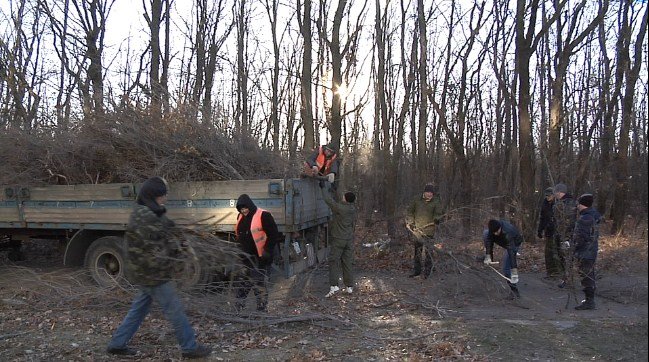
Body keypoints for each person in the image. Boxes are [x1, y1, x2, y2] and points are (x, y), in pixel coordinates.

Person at [106, 176, 211, 358]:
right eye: (162, 195)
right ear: (153, 196)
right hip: (153, 273)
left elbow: (160, 232)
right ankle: (189, 347)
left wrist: (168, 226)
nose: (165, 198)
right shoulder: (147, 216)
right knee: (175, 309)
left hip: (144, 272)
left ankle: (117, 343)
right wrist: (179, 250)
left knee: (138, 309)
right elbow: (164, 244)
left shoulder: (143, 211)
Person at [234, 194, 283, 312]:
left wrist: (267, 250)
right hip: (246, 257)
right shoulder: (240, 217)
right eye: (241, 209)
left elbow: (273, 235)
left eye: (245, 208)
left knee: (258, 283)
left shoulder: (264, 215)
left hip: (261, 257)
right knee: (244, 282)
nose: (244, 211)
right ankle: (239, 307)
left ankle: (261, 309)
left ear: (250, 205)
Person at [319, 182, 357, 298]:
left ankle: (334, 286)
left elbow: (328, 201)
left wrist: (323, 188)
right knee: (347, 262)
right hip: (348, 239)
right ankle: (349, 286)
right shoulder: (352, 209)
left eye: (343, 196)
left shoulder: (341, 208)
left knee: (334, 262)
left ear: (346, 199)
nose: (342, 197)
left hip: (338, 239)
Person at [567, 194, 602, 310]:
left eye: (579, 203)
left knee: (586, 276)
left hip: (585, 252)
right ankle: (589, 299)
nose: (577, 206)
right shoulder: (593, 215)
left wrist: (574, 248)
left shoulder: (585, 219)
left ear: (582, 204)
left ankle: (589, 301)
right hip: (591, 250)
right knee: (589, 275)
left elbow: (581, 237)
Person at [405, 183, 444, 279]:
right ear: (424, 192)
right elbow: (410, 212)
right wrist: (411, 223)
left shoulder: (436, 201)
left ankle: (427, 272)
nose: (429, 195)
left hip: (429, 231)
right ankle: (417, 272)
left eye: (431, 193)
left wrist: (437, 219)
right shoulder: (416, 199)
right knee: (417, 252)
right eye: (428, 192)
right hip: (417, 230)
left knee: (428, 252)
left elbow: (438, 213)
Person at [483, 219, 524, 298]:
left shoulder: (508, 232)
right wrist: (488, 256)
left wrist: (514, 271)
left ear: (500, 228)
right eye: (494, 232)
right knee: (485, 233)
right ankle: (489, 259)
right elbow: (489, 241)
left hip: (514, 244)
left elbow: (511, 253)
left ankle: (514, 291)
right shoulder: (493, 231)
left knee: (506, 268)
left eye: (497, 231)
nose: (495, 233)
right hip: (503, 241)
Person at [553, 183, 577, 287]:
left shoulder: (560, 205)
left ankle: (567, 280)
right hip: (571, 234)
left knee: (565, 257)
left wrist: (564, 235)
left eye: (556, 192)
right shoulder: (575, 203)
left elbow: (561, 220)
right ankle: (567, 279)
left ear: (559, 192)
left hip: (564, 235)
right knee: (567, 257)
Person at [537, 186, 561, 278]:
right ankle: (550, 273)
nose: (548, 197)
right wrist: (540, 229)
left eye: (549, 196)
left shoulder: (558, 204)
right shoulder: (545, 203)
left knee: (557, 252)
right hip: (549, 231)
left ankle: (558, 272)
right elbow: (542, 218)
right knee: (548, 253)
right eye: (546, 196)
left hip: (558, 232)